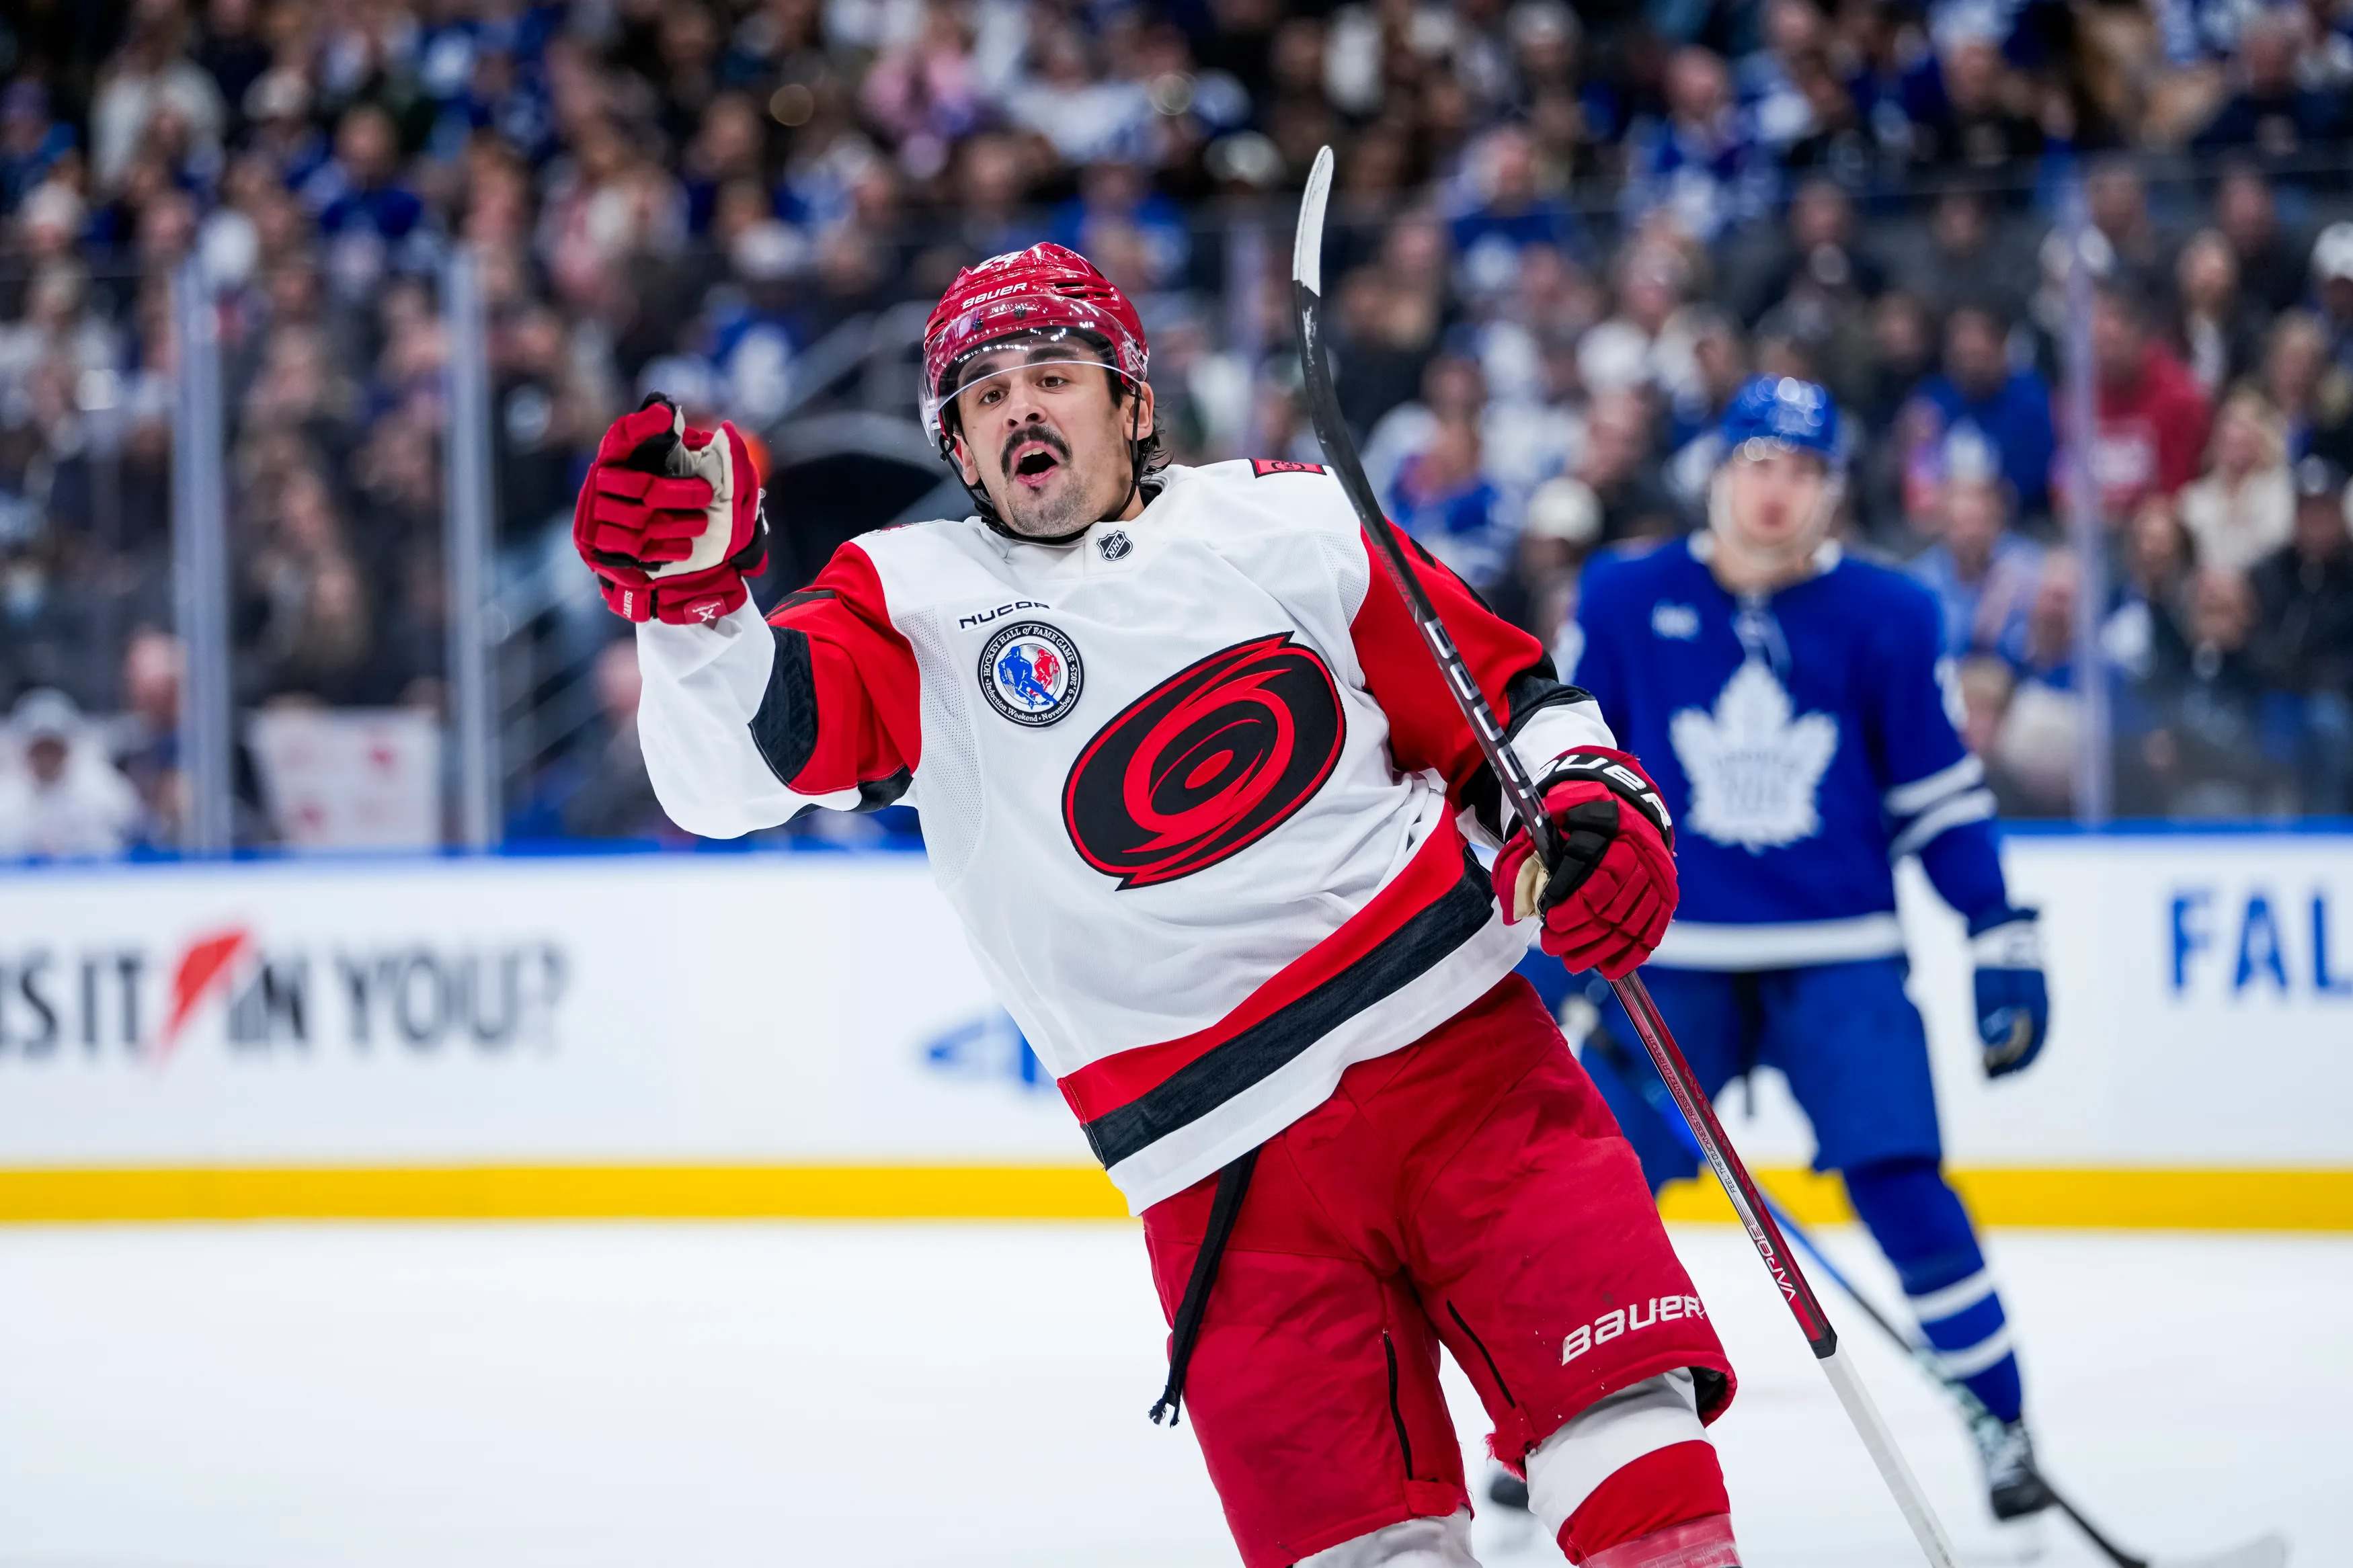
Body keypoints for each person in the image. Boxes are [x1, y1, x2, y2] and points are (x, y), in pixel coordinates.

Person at [577, 244, 1744, 1568]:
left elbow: (1504, 710)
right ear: (954, 442)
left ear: (1133, 404)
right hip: (1227, 1189)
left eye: (1054, 375)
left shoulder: (1288, 522)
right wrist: (691, 608)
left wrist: (1591, 811)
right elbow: (730, 777)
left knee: (1632, 1456)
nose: (1020, 407)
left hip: (1466, 1079)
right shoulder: (916, 604)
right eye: (983, 393)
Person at [1563, 377, 2055, 1527]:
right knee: (1595, 1197)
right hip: (1666, 956)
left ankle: (2002, 1424)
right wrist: (1548, 961)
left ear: (1831, 489)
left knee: (1903, 1186)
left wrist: (1997, 925)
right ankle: (1554, 1422)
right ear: (1718, 472)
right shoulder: (1629, 596)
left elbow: (1935, 793)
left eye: (1800, 468)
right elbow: (1569, 780)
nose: (1774, 489)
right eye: (1755, 462)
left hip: (1841, 955)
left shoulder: (1887, 615)